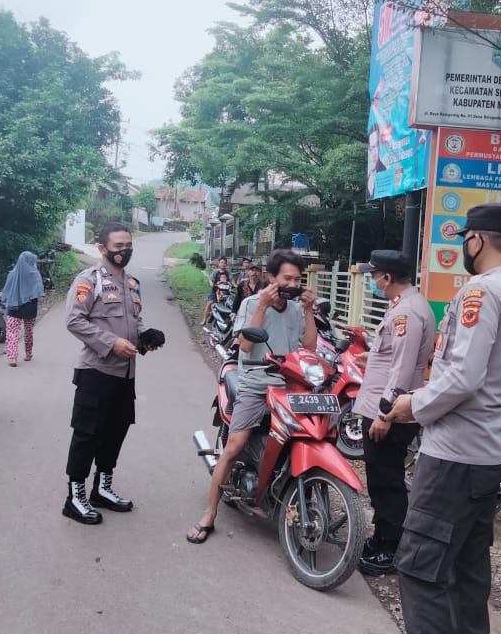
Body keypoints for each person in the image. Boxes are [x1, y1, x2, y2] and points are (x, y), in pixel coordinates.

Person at [381, 204, 501, 634]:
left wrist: (412, 405)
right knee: (468, 563)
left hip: (454, 453)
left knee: (419, 565)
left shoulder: (481, 291)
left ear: (477, 240)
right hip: (493, 450)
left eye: (465, 239)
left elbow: (462, 377)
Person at [186, 249, 317, 543]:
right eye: (287, 278)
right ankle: (209, 514)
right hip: (255, 385)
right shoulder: (250, 303)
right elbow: (245, 345)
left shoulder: (297, 310)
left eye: (297, 279)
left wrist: (309, 310)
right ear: (272, 277)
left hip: (289, 386)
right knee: (234, 447)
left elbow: (309, 348)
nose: (293, 284)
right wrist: (263, 305)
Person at [63, 222, 162, 525]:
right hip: (96, 371)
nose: (125, 251)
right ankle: (75, 497)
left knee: (116, 431)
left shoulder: (131, 284)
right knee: (87, 434)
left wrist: (145, 337)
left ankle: (101, 489)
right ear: (102, 248)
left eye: (128, 245)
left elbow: (135, 321)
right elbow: (74, 320)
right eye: (118, 246)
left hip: (125, 374)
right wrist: (112, 343)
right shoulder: (89, 280)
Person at [352, 250, 435, 576]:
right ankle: (383, 538)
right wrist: (371, 357)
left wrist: (385, 414)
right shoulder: (405, 306)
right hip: (386, 408)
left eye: (374, 276)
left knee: (386, 482)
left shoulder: (407, 312)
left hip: (388, 412)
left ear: (386, 277)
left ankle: (390, 549)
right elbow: (395, 356)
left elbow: (402, 368)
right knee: (382, 477)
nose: (372, 281)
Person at [0, 250, 45, 367]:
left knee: (12, 332)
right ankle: (28, 353)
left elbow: (7, 290)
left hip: (14, 306)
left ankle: (13, 358)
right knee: (28, 331)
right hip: (30, 306)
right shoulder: (35, 274)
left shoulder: (12, 274)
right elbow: (39, 291)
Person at [201, 256, 229, 326]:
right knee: (210, 303)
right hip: (216, 291)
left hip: (226, 292)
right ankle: (204, 320)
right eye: (221, 263)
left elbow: (232, 281)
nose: (223, 264)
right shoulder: (215, 272)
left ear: (226, 264)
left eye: (224, 263)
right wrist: (213, 285)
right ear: (219, 264)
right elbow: (211, 280)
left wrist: (235, 285)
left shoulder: (228, 273)